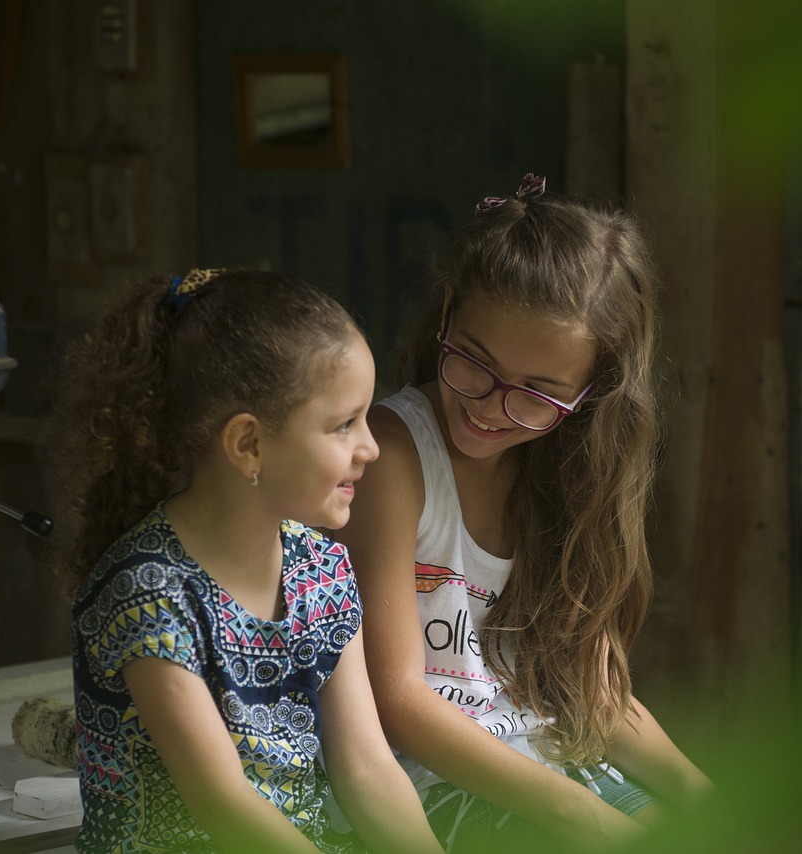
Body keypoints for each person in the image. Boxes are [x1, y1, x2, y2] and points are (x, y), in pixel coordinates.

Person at [335, 175, 713, 853]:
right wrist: (585, 819)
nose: (488, 407)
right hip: (436, 787)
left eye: (537, 396)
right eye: (474, 364)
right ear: (447, 314)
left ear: (592, 396)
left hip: (563, 772)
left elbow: (595, 697)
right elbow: (399, 701)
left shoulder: (567, 483)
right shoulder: (394, 454)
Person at [46, 268, 444, 854]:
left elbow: (367, 769)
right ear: (249, 444)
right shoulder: (149, 593)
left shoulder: (323, 570)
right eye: (343, 425)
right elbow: (220, 800)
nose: (371, 447)